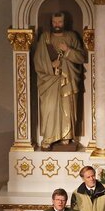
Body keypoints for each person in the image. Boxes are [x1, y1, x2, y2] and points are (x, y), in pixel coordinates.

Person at [33, 11, 86, 150]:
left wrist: (68, 50)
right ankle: (49, 137)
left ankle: (66, 136)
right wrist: (51, 65)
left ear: (64, 22)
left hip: (68, 80)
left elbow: (81, 58)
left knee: (67, 108)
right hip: (49, 81)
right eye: (54, 22)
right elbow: (38, 60)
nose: (57, 24)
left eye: (60, 22)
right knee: (49, 109)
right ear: (51, 22)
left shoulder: (71, 37)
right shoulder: (45, 37)